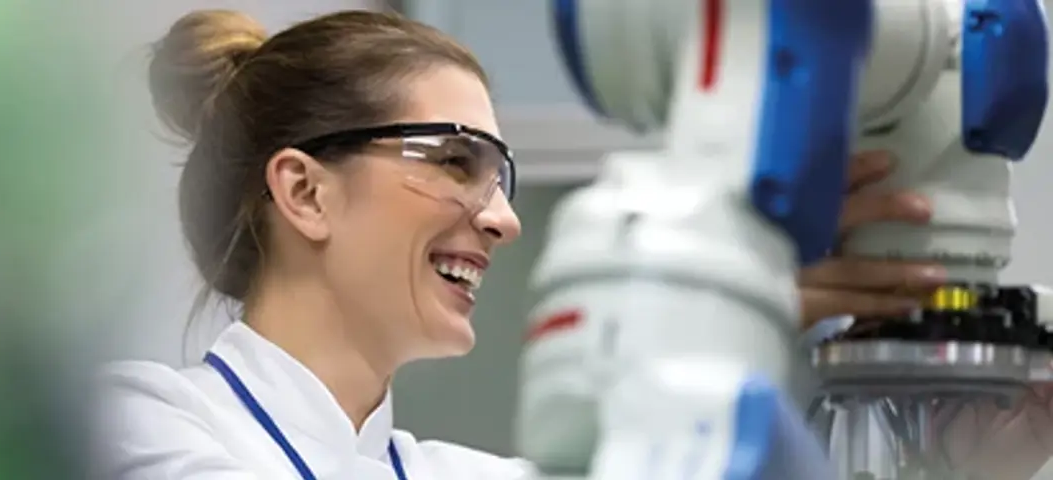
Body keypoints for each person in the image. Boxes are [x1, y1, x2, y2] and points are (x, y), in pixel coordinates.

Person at [97, 8, 1052, 480]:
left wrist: (953, 455)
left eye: (502, 176)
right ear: (303, 189)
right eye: (456, 161)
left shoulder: (446, 473)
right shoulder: (136, 430)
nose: (503, 217)